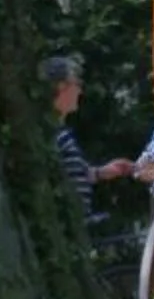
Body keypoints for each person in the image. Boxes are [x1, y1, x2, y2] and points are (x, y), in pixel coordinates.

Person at [43, 54, 133, 219]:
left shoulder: (59, 132)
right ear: (62, 86)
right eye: (77, 83)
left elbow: (72, 173)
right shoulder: (49, 133)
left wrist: (102, 172)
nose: (80, 90)